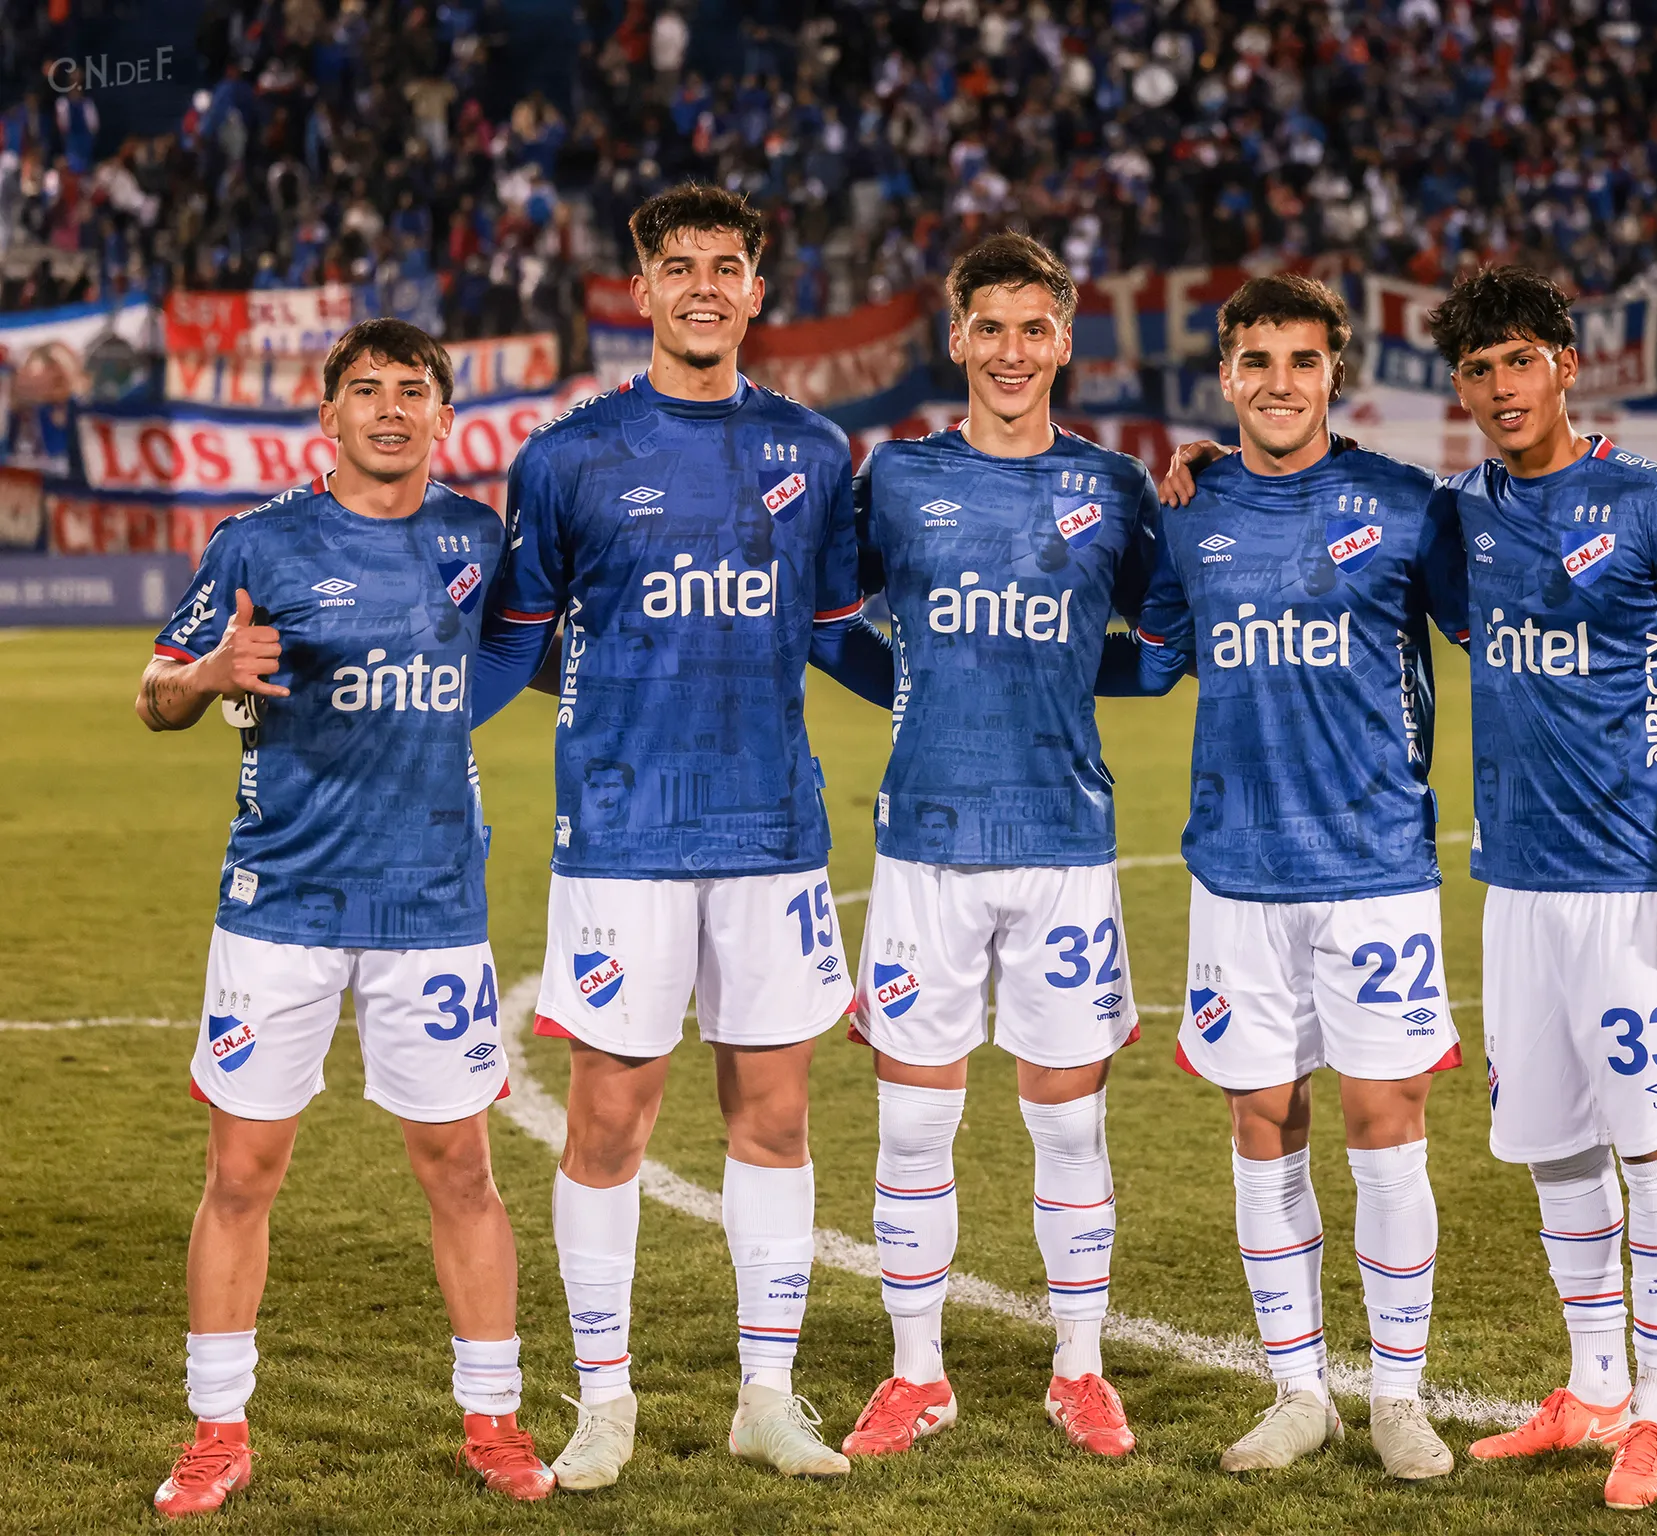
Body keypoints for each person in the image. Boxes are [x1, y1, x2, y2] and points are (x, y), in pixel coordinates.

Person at [470, 183, 885, 1485]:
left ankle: (767, 1395)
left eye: (726, 265)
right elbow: (512, 646)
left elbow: (835, 635)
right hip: (622, 837)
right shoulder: (568, 457)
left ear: (756, 291)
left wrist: (947, 691)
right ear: (641, 288)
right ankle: (606, 1403)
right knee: (610, 1122)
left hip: (772, 834)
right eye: (680, 265)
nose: (703, 285)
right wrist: (402, 708)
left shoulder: (814, 450)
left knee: (775, 1119)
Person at [136, 319, 553, 1516]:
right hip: (280, 907)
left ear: (443, 418)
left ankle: (494, 1420)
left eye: (412, 391)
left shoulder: (479, 540)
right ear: (328, 417)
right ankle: (217, 1432)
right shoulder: (257, 541)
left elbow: (533, 650)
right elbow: (155, 692)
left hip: (433, 908)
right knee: (241, 1172)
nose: (389, 409)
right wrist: (205, 676)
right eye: (365, 390)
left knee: (461, 1168)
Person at [1429, 267, 1657, 1510]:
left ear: (1566, 364)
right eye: (1477, 371)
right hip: (1515, 883)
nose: (1501, 388)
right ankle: (1593, 1386)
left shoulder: (1653, 502)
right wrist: (1208, 468)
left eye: (1520, 360)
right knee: (1557, 1147)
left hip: (1638, 885)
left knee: (1656, 1142)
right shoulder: (1460, 517)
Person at [834, 233, 1159, 1461]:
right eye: (991, 328)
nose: (1012, 351)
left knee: (1069, 1128)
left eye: (1035, 329)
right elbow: (827, 621)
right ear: (956, 339)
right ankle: (916, 1376)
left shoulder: (1114, 488)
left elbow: (1165, 647)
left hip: (1063, 843)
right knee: (914, 1128)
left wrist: (1065, 678)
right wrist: (917, 684)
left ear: (1064, 342)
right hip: (925, 842)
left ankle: (1080, 1370)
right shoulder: (898, 477)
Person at [1140, 275, 1468, 1479]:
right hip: (1237, 869)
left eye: (1303, 360)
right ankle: (1297, 1392)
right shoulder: (1189, 511)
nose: (1280, 382)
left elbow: (1495, 631)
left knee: (1387, 1128)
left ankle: (1398, 1397)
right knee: (1263, 1125)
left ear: (1336, 373)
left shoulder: (1406, 505)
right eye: (1258, 361)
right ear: (1226, 375)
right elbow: (1157, 658)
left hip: (1376, 865)